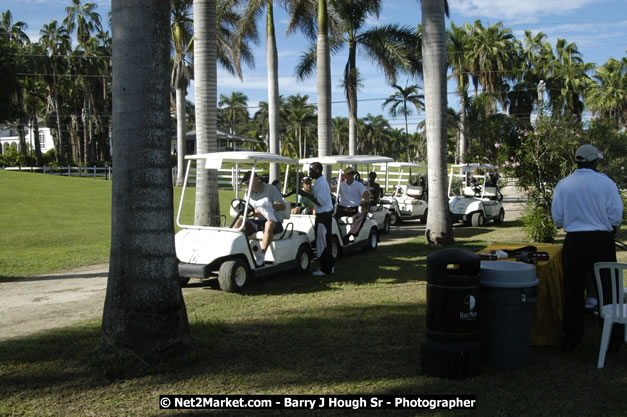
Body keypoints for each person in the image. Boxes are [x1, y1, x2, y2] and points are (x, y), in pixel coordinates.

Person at [551, 144, 624, 352]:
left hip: (574, 241)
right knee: (608, 290)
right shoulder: (606, 183)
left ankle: (571, 338)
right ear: (594, 161)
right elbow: (615, 216)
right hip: (601, 241)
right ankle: (612, 339)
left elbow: (558, 219)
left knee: (572, 291)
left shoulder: (563, 184)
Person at [234, 171, 286, 266]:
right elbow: (248, 210)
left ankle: (261, 255)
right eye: (246, 183)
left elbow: (282, 206)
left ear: (257, 178)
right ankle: (237, 253)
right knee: (239, 223)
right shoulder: (248, 193)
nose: (247, 185)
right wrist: (254, 212)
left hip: (274, 221)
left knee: (268, 224)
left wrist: (269, 206)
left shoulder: (270, 189)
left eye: (249, 182)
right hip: (258, 221)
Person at [299, 162, 335, 276]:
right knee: (324, 241)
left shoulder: (321, 183)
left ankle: (326, 269)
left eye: (311, 170)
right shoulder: (319, 182)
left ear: (318, 171)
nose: (309, 173)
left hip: (323, 216)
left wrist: (305, 195)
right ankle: (329, 266)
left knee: (322, 242)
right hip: (324, 215)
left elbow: (320, 202)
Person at [335, 166, 371, 243]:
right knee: (331, 215)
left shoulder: (358, 185)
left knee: (362, 215)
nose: (351, 176)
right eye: (349, 174)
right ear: (344, 176)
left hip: (354, 209)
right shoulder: (341, 185)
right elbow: (332, 189)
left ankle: (352, 234)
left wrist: (363, 199)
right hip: (342, 208)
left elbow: (366, 193)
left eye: (352, 174)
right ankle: (337, 234)